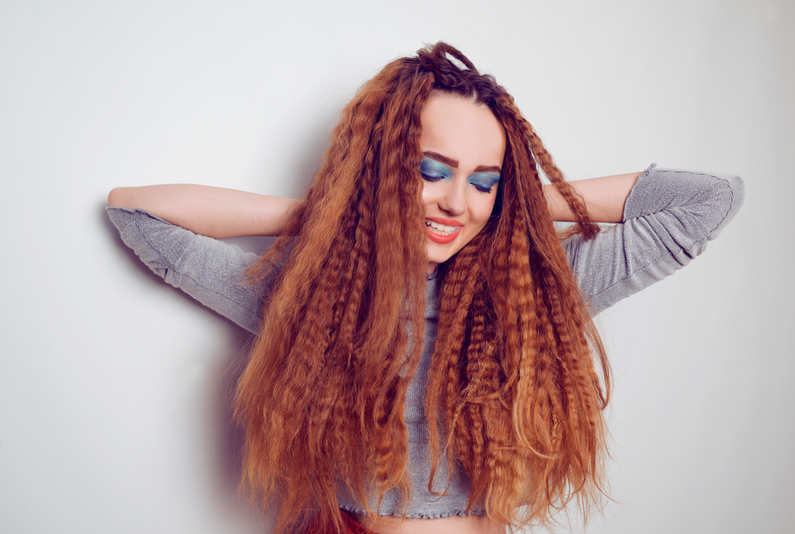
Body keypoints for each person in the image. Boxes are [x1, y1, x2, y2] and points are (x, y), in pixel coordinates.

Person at [106, 42, 744, 534]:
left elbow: (710, 201)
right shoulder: (310, 295)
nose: (455, 203)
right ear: (382, 170)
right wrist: (337, 208)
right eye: (429, 171)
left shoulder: (539, 290)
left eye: (484, 180)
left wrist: (518, 200)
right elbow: (136, 214)